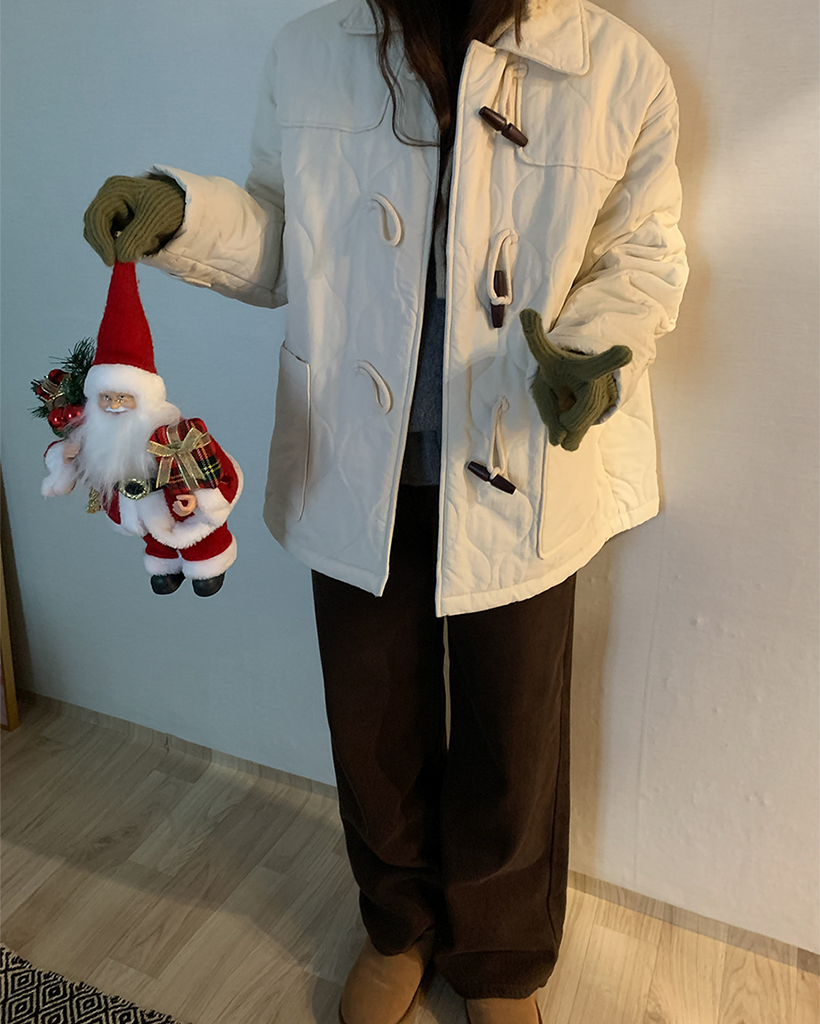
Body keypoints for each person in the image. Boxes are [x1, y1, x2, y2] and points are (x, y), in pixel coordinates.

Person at [82, 0, 688, 1020]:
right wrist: (181, 215)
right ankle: (398, 922)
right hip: (358, 452)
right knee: (371, 713)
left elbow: (643, 252)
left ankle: (497, 955)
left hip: (520, 450)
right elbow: (279, 234)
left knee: (513, 725)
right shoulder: (310, 51)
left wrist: (592, 353)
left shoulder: (619, 69)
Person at [42, 262, 242, 597]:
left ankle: (209, 566)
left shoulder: (175, 433)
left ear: (144, 397)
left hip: (179, 502)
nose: (114, 405)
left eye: (124, 397)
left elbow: (216, 470)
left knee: (198, 539)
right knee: (156, 540)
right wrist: (65, 457)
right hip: (139, 508)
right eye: (106, 397)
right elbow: (74, 458)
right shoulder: (96, 432)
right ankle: (166, 566)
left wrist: (199, 500)